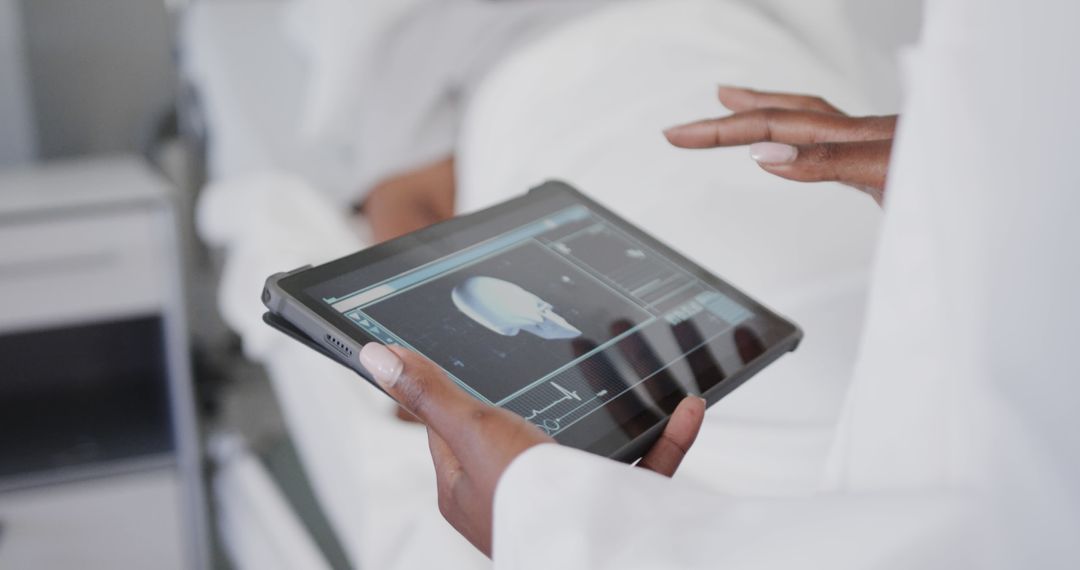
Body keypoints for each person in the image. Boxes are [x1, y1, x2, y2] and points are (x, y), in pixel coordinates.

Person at [351, 0, 1080, 567]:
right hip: (574, 137)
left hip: (797, 200)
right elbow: (408, 211)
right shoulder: (431, 26)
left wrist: (549, 526)